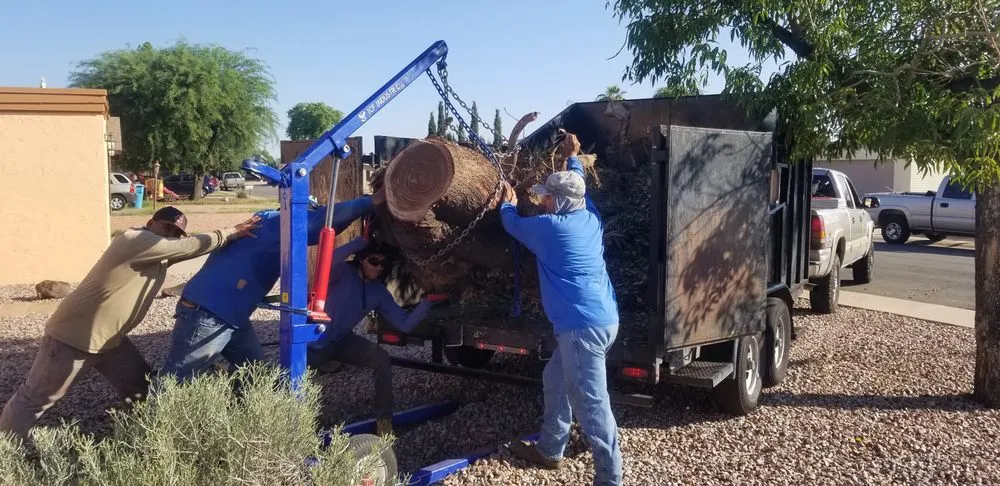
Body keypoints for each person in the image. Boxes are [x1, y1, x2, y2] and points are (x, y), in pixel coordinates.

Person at [0, 207, 260, 443]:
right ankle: (8, 449)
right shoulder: (133, 240)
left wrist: (226, 243)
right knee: (35, 398)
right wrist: (231, 232)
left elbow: (188, 248)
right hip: (73, 336)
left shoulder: (156, 254)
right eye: (166, 227)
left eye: (176, 232)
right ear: (150, 222)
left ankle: (140, 437)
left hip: (109, 339)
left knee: (139, 387)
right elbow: (190, 246)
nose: (170, 234)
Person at [498, 131, 622, 486]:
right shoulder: (589, 216)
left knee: (593, 410)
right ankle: (551, 449)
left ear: (561, 203)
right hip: (602, 319)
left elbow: (511, 224)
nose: (542, 202)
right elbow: (578, 181)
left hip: (581, 328)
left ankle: (610, 480)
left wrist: (507, 201)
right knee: (554, 379)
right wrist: (572, 156)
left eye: (547, 198)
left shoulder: (552, 229)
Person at [157, 193, 381, 385]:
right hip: (208, 313)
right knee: (179, 380)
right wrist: (371, 201)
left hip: (232, 315)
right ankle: (153, 431)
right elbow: (317, 225)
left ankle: (242, 419)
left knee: (255, 373)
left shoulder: (274, 233)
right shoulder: (272, 222)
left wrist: (360, 242)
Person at [306, 231, 447, 438]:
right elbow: (327, 261)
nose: (379, 267)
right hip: (313, 342)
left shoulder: (378, 292)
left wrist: (428, 302)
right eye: (374, 261)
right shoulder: (342, 273)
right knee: (289, 378)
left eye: (383, 264)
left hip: (342, 340)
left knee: (382, 359)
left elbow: (404, 324)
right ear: (361, 259)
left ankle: (384, 420)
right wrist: (359, 242)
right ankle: (291, 421)